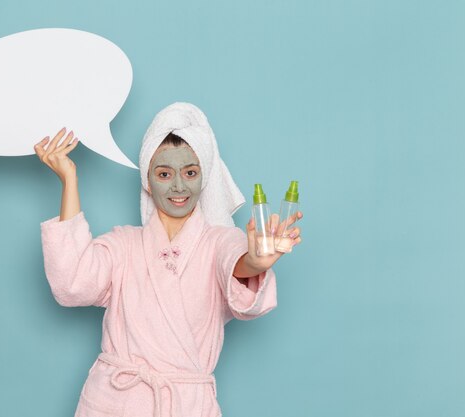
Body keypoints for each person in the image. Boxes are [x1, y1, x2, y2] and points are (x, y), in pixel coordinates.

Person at [34, 102, 302, 417]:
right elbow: (72, 283)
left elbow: (238, 263)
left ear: (205, 177)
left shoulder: (218, 241)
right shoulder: (124, 244)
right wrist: (69, 179)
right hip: (115, 403)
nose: (178, 186)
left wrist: (256, 262)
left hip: (185, 404)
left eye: (190, 172)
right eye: (164, 173)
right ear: (148, 180)